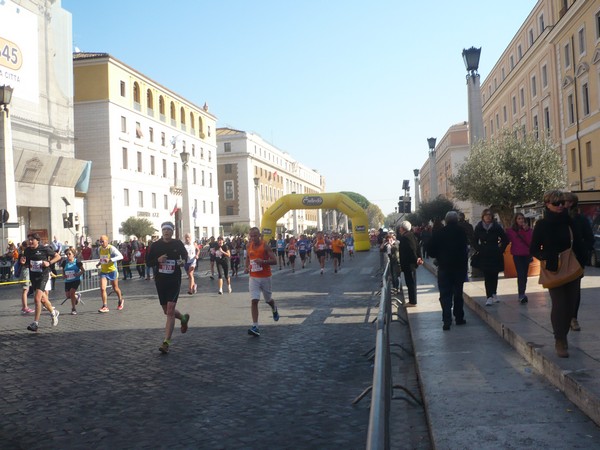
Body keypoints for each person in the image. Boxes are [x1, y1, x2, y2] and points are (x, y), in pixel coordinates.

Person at [530, 190, 587, 358]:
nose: (561, 206)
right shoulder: (542, 225)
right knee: (559, 305)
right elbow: (533, 248)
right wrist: (546, 258)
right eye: (556, 203)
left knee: (570, 306)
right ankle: (559, 340)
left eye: (562, 202)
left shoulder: (569, 221)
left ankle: (564, 335)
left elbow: (578, 242)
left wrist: (582, 262)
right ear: (547, 204)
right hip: (553, 269)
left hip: (572, 269)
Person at [145, 221, 191, 354]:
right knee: (167, 311)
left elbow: (185, 256)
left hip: (174, 280)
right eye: (164, 230)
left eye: (168, 230)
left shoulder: (177, 243)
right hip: (160, 281)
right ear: (162, 231)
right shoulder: (155, 245)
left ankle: (166, 342)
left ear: (172, 232)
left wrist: (183, 261)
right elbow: (148, 262)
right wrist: (157, 260)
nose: (166, 232)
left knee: (170, 310)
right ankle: (183, 318)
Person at [427, 211, 469, 330]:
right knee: (458, 294)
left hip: (444, 267)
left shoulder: (439, 233)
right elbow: (465, 249)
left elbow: (429, 249)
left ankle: (446, 320)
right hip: (459, 268)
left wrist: (439, 256)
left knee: (445, 294)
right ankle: (459, 317)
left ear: (445, 220)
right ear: (457, 220)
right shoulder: (461, 232)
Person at [563, 191, 594, 332]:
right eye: (564, 201)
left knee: (575, 289)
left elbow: (590, 238)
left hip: (577, 259)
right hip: (561, 259)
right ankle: (564, 316)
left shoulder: (581, 219)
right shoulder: (558, 219)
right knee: (562, 289)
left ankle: (573, 318)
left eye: (569, 201)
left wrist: (583, 252)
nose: (566, 204)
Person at [20, 232, 62, 332]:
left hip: (43, 276)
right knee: (43, 300)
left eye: (32, 240)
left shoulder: (44, 248)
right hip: (33, 277)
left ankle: (35, 323)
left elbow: (58, 257)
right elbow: (27, 264)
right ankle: (53, 312)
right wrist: (23, 264)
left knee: (37, 299)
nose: (30, 241)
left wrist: (49, 262)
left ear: (37, 240)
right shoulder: (27, 251)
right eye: (29, 239)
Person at [244, 227, 279, 336]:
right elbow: (248, 258)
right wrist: (246, 267)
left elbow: (275, 261)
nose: (253, 238)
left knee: (268, 300)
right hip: (253, 277)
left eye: (255, 236)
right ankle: (255, 326)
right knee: (254, 300)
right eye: (251, 236)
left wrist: (263, 261)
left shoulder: (265, 246)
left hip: (265, 277)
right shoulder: (248, 246)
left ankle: (273, 307)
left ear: (259, 235)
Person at [473, 209, 509, 306]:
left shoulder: (496, 227)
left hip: (495, 252)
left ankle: (494, 293)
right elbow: (474, 240)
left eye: (490, 215)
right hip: (484, 254)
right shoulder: (479, 227)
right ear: (483, 216)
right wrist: (479, 249)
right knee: (487, 275)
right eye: (486, 215)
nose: (488, 217)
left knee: (494, 274)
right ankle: (489, 296)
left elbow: (505, 239)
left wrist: (500, 249)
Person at [505, 212, 533, 304]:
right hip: (517, 255)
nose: (521, 220)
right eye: (519, 219)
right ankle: (521, 294)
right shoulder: (511, 231)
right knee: (521, 274)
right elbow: (506, 240)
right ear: (515, 220)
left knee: (524, 275)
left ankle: (522, 292)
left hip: (526, 254)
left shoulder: (528, 230)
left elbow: (530, 242)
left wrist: (526, 231)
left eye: (522, 218)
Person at [397, 221, 423, 306]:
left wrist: (417, 259)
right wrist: (419, 258)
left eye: (400, 228)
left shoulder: (405, 237)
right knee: (411, 282)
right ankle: (412, 300)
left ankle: (412, 301)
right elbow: (418, 247)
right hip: (411, 263)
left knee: (410, 283)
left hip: (409, 264)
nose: (399, 230)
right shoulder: (412, 235)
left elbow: (412, 250)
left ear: (402, 228)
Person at [96, 235, 125, 313]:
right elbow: (102, 258)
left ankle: (120, 300)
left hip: (112, 271)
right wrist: (99, 263)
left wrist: (110, 259)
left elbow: (121, 256)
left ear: (107, 241)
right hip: (103, 271)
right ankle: (105, 306)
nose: (101, 243)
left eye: (103, 241)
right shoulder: (99, 249)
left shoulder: (111, 248)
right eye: (100, 241)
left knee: (115, 288)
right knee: (102, 288)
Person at [60, 246, 85, 315]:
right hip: (68, 280)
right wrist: (63, 275)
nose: (68, 255)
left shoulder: (77, 261)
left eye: (69, 254)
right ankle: (77, 297)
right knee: (68, 296)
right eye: (67, 254)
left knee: (72, 292)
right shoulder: (65, 262)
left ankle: (73, 309)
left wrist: (78, 274)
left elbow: (83, 270)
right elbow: (62, 269)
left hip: (76, 280)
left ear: (73, 254)